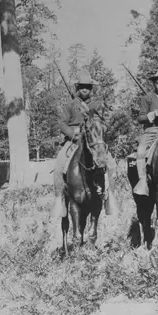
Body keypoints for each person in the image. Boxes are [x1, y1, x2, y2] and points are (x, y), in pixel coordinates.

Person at [50, 70, 110, 221]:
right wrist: (73, 133)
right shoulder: (70, 105)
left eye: (88, 87)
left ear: (91, 88)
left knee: (111, 164)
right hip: (73, 140)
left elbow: (104, 122)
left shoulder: (97, 105)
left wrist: (95, 127)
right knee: (59, 166)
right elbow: (62, 123)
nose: (85, 89)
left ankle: (109, 195)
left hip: (93, 139)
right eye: (82, 86)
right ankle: (59, 198)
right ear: (77, 88)